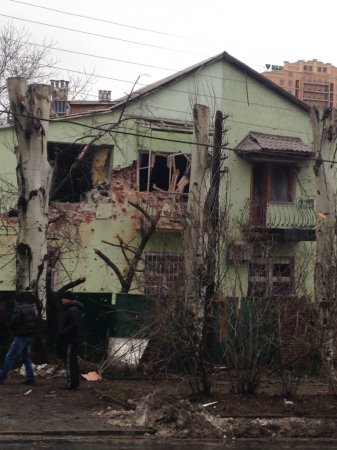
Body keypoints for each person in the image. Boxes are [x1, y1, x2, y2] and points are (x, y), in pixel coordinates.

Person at [0, 292, 38, 385]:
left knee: (10, 356)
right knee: (26, 357)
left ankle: (1, 376)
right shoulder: (31, 308)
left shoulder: (18, 309)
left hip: (21, 336)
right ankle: (31, 377)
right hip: (29, 336)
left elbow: (15, 322)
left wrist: (10, 326)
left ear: (17, 301)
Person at [56, 291, 84, 390]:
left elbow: (73, 325)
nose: (62, 300)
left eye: (64, 298)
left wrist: (63, 333)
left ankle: (71, 383)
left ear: (68, 299)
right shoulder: (74, 309)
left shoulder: (71, 310)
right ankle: (74, 382)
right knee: (72, 361)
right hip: (72, 338)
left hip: (71, 339)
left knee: (69, 361)